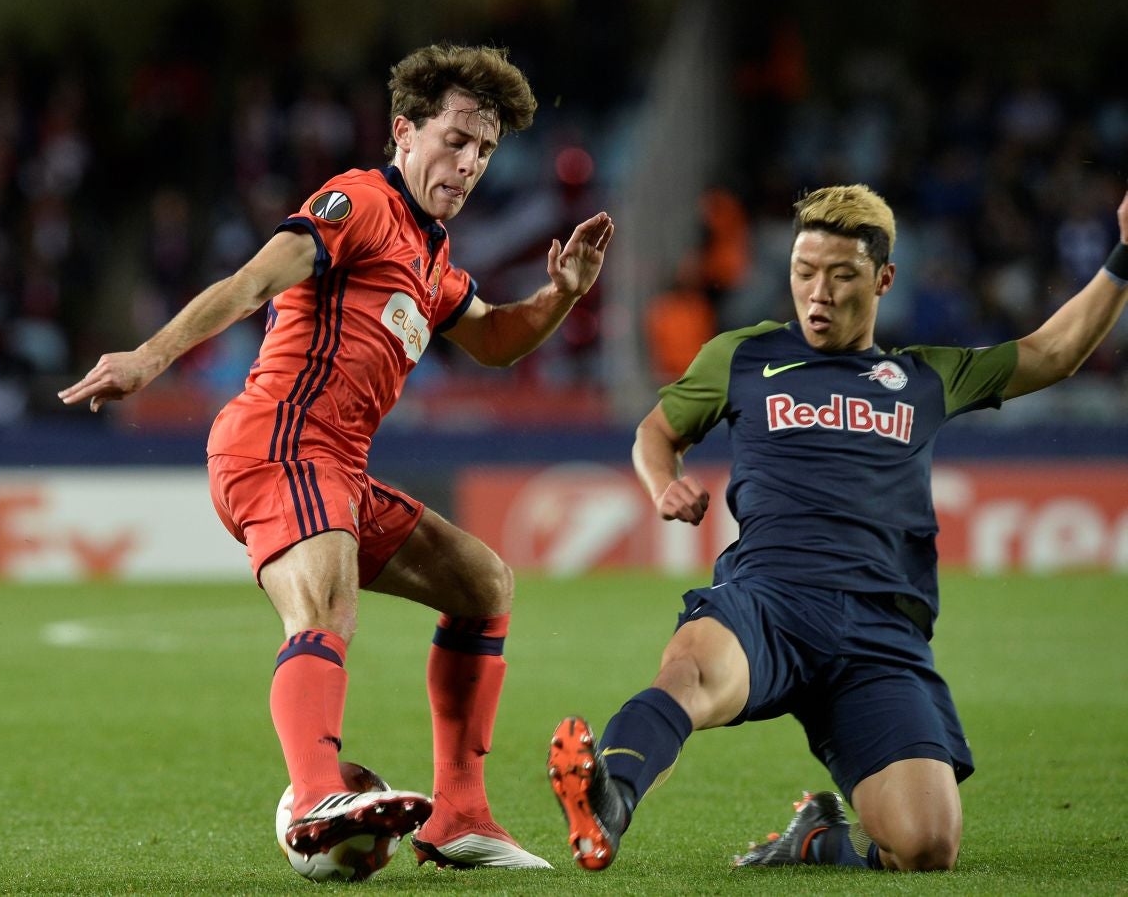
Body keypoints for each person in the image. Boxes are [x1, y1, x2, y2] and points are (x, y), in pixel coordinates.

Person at [59, 43, 614, 872]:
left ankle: (459, 814)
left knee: (483, 586)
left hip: (336, 471)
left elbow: (496, 339)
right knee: (325, 608)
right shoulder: (357, 201)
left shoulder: (432, 258)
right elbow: (253, 281)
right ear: (404, 131)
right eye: (455, 140)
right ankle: (316, 793)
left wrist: (562, 293)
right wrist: (149, 357)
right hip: (277, 442)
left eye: (485, 151)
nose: (468, 164)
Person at [548, 183, 1128, 873]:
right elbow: (656, 431)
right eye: (803, 272)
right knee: (693, 672)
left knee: (928, 847)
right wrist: (662, 482)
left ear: (883, 279)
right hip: (769, 600)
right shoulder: (745, 357)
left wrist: (1123, 257)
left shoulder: (925, 378)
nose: (817, 292)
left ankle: (822, 843)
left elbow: (1053, 352)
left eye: (841, 275)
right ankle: (610, 801)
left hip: (878, 631)